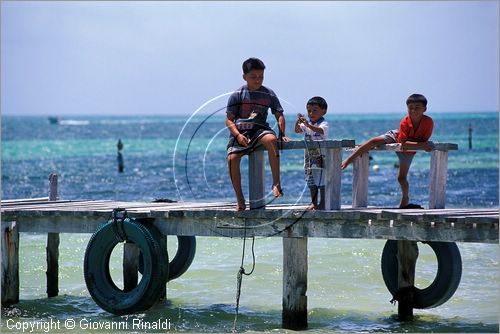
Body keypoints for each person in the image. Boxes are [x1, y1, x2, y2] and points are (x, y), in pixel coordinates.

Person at [341, 93, 434, 208]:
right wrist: (420, 145)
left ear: (425, 109)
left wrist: (420, 145)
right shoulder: (405, 122)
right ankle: (348, 160)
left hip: (409, 150)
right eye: (410, 108)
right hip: (396, 137)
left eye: (417, 108)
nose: (413, 111)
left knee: (401, 178)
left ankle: (405, 199)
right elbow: (404, 144)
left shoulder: (428, 122)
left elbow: (423, 143)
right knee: (373, 142)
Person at [226, 58, 290, 211]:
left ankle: (276, 183)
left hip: (260, 129)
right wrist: (237, 136)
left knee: (271, 139)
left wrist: (281, 134)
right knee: (231, 159)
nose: (257, 80)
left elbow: (279, 115)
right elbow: (229, 120)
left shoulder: (268, 93)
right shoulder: (237, 95)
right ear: (245, 77)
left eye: (261, 76)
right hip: (241, 132)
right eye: (253, 77)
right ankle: (240, 199)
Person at [294, 96, 329, 210]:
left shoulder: (323, 123)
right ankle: (314, 203)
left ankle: (323, 202)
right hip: (309, 156)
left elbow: (320, 131)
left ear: (323, 111)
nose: (311, 113)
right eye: (309, 111)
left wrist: (308, 126)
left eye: (315, 110)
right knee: (311, 180)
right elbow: (297, 130)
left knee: (322, 180)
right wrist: (298, 122)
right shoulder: (307, 123)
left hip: (321, 156)